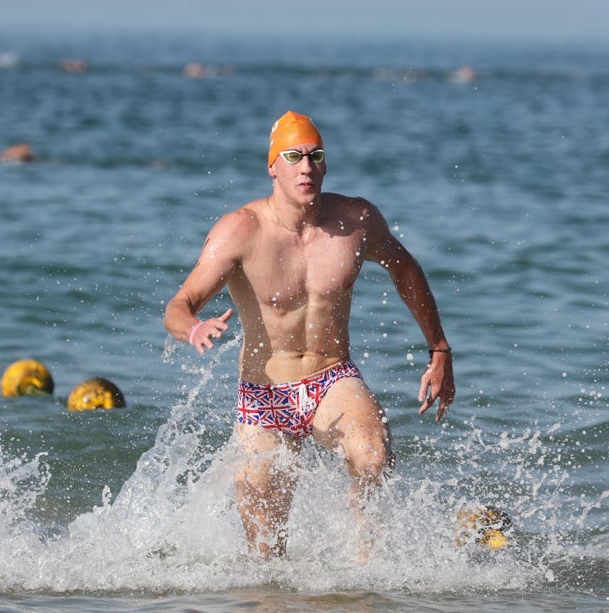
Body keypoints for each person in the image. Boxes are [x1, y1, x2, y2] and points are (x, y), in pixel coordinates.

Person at [163, 110, 455, 557]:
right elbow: (178, 307)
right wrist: (195, 327)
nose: (306, 167)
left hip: (331, 379)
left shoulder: (355, 221)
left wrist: (439, 348)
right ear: (272, 167)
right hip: (265, 394)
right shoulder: (241, 230)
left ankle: (367, 570)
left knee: (372, 454)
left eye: (315, 156)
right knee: (266, 554)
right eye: (294, 156)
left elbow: (406, 269)